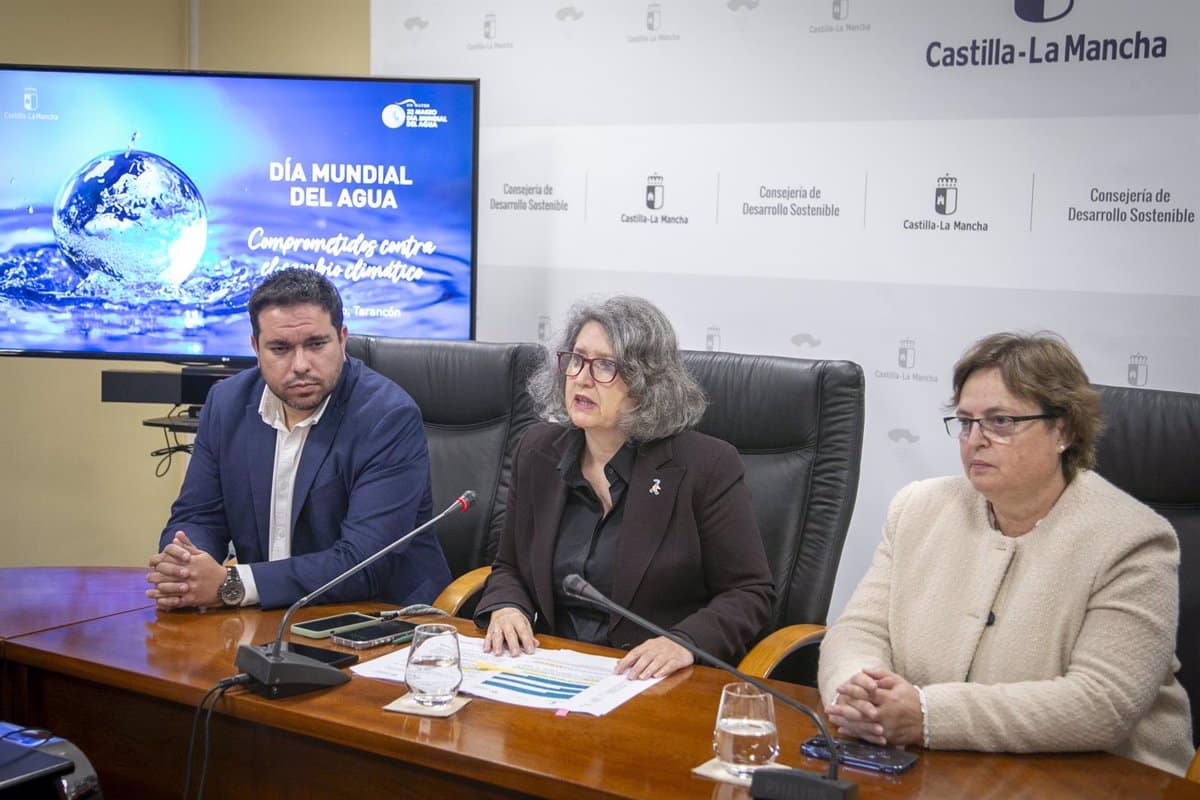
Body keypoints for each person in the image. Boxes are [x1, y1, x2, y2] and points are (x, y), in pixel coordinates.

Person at [819, 331, 1193, 775]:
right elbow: (858, 629)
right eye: (965, 422)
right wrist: (860, 692)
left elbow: (1102, 702)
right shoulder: (917, 508)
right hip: (935, 770)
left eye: (1001, 422)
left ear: (1064, 430)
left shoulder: (1133, 541)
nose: (975, 439)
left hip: (1100, 778)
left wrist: (927, 715)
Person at [475, 296, 776, 680]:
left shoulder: (706, 466)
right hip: (547, 669)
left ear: (646, 382)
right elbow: (510, 566)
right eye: (577, 359)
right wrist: (507, 606)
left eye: (605, 365)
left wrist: (683, 641)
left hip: (650, 682)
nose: (582, 377)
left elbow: (750, 593)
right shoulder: (537, 452)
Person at [145, 268, 451, 611]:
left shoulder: (387, 417)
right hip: (266, 615)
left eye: (316, 344)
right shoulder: (226, 404)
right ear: (255, 348)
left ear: (342, 338)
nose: (301, 364)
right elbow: (198, 516)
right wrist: (184, 565)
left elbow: (364, 562)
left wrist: (232, 584)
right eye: (280, 348)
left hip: (376, 619)